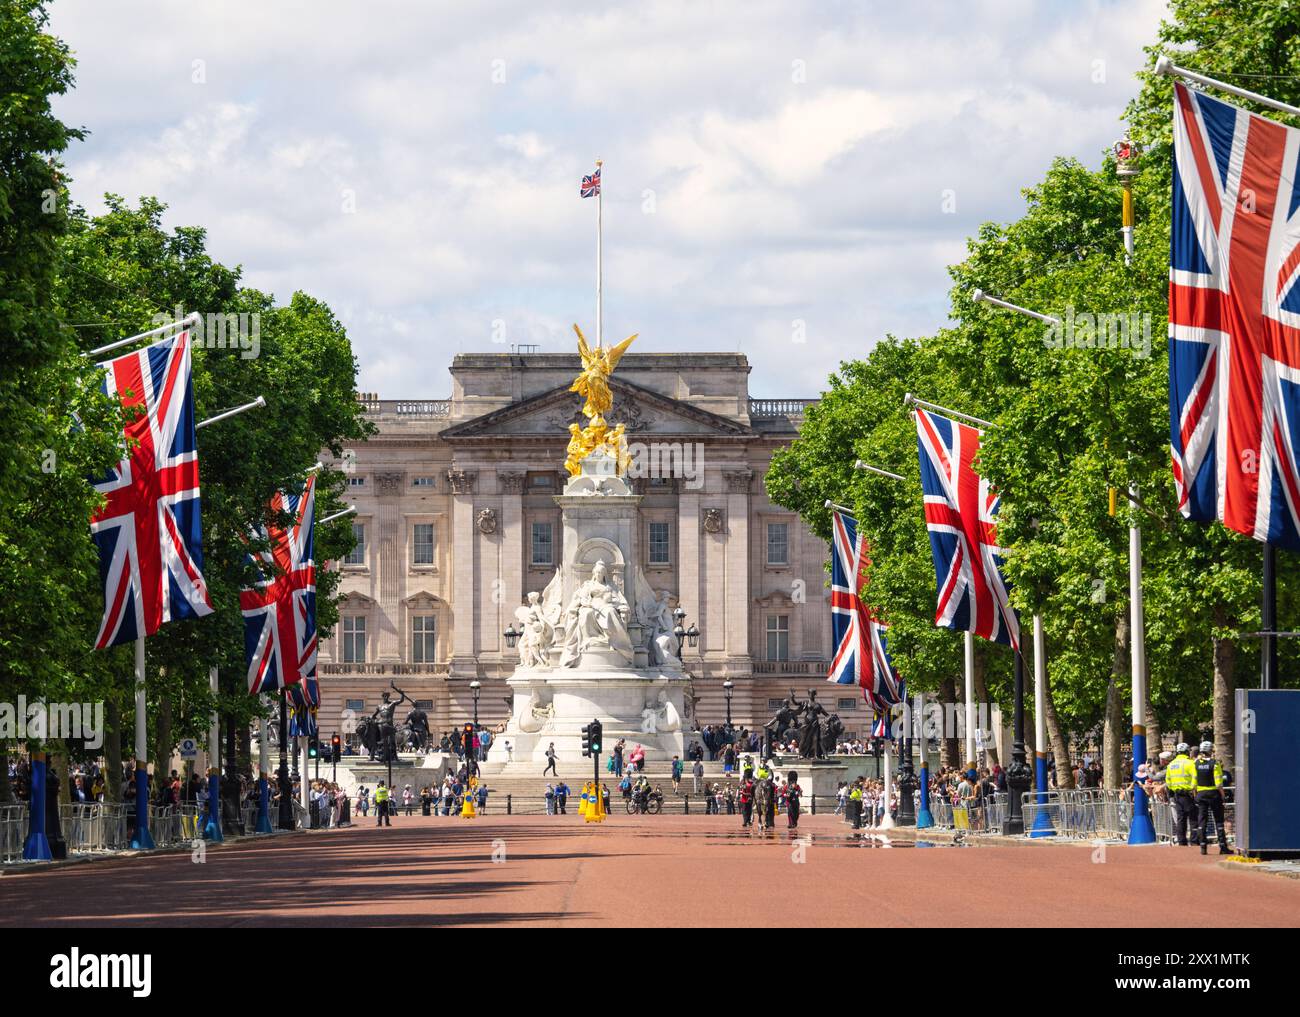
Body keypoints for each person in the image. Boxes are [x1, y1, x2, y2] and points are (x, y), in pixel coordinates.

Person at [1194, 741, 1230, 855]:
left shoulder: (1196, 764)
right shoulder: (1215, 764)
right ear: (1211, 751)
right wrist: (1223, 796)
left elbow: (1193, 783)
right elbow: (1219, 783)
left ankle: (1203, 847)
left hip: (1201, 794)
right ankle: (1223, 847)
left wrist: (1196, 795)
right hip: (1214, 794)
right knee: (1218, 820)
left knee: (1202, 820)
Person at [1164, 742, 1198, 846]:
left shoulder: (1171, 765)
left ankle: (1181, 841)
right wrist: (1193, 790)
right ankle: (1194, 841)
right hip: (1188, 794)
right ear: (1187, 751)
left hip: (1177, 795)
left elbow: (1168, 782)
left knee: (1181, 819)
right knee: (1193, 818)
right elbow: (1195, 778)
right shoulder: (1191, 763)